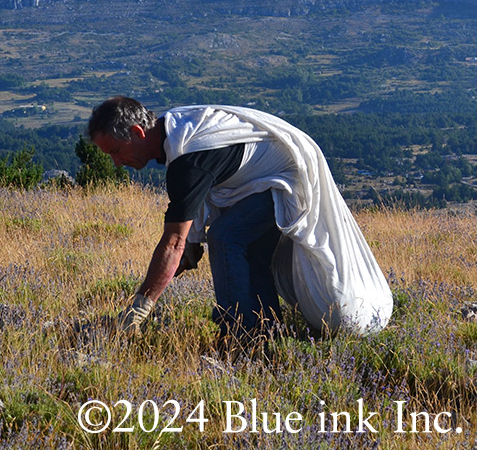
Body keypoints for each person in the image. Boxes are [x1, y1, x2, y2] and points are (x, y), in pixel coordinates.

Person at [88, 97, 393, 342]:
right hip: (266, 177)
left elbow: (173, 242)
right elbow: (187, 224)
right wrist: (188, 248)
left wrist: (141, 307)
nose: (116, 162)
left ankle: (241, 337)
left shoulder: (188, 157)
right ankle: (266, 333)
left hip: (289, 176)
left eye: (116, 151)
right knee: (250, 251)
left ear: (138, 133)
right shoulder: (176, 131)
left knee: (226, 237)